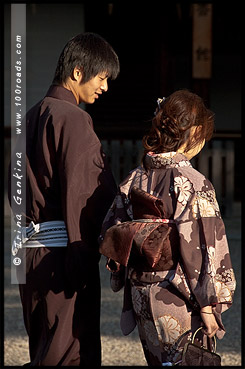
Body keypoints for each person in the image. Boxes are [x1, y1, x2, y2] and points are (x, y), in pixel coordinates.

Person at [99, 90, 236, 366]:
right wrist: (209, 306)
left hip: (143, 296)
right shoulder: (193, 183)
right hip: (180, 299)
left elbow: (112, 230)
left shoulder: (133, 179)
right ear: (195, 133)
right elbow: (207, 250)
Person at [8, 32, 119, 366]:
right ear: (77, 72)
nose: (105, 87)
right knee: (69, 354)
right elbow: (87, 198)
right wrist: (89, 255)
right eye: (102, 78)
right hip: (61, 259)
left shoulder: (29, 117)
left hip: (29, 255)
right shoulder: (73, 119)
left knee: (44, 349)